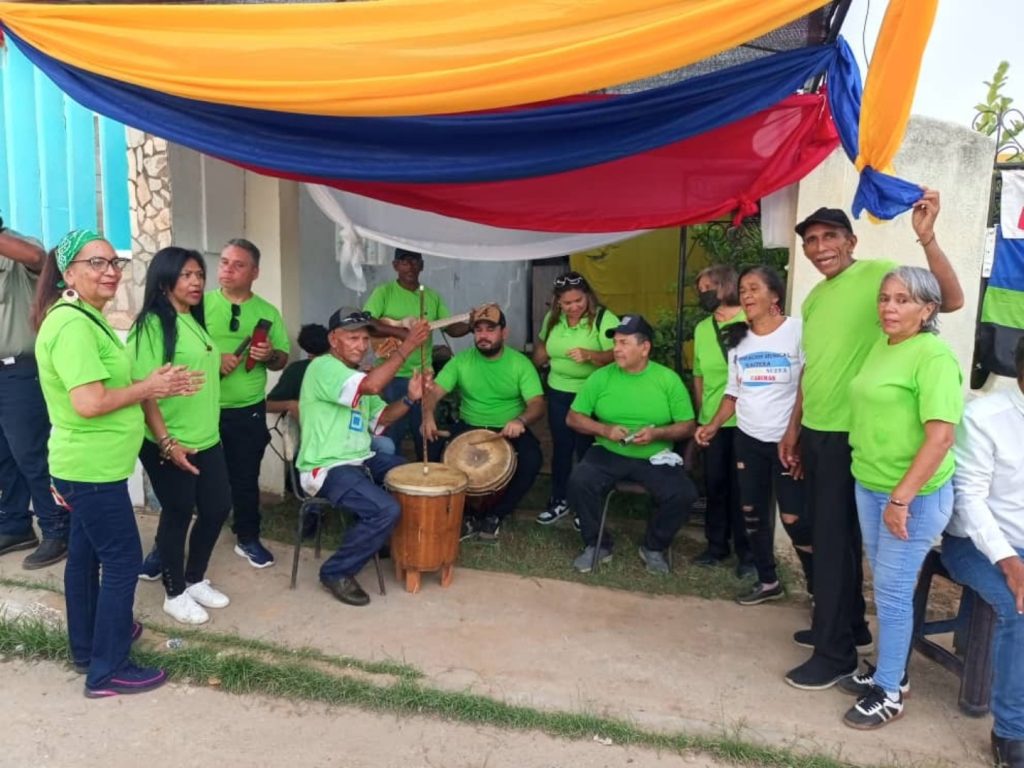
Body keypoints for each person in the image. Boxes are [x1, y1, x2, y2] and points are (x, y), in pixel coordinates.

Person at [780, 191, 964, 690]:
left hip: (849, 435)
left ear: (851, 241)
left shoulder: (879, 276)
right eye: (811, 240)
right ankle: (850, 626)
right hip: (818, 432)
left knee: (833, 545)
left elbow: (949, 300)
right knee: (831, 537)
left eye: (830, 237)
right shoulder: (815, 297)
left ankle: (835, 653)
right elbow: (814, 366)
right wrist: (795, 426)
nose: (820, 247)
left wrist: (927, 238)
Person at [32, 229, 197, 697]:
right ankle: (108, 669)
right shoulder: (72, 326)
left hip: (94, 467)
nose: (110, 272)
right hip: (91, 470)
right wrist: (149, 388)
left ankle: (89, 646)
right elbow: (89, 402)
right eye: (96, 263)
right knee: (122, 560)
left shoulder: (87, 317)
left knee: (86, 556)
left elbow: (109, 386)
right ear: (68, 274)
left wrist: (150, 382)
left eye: (114, 262)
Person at [837, 267, 962, 728]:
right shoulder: (883, 344)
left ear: (928, 309)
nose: (889, 307)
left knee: (890, 593)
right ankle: (893, 672)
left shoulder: (933, 356)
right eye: (885, 298)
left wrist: (901, 499)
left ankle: (889, 691)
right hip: (871, 484)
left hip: (912, 497)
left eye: (903, 300)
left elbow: (941, 437)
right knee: (886, 584)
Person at [296, 307, 430, 606]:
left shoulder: (357, 378)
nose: (361, 345)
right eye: (352, 338)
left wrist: (410, 398)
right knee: (386, 509)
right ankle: (336, 572)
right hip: (327, 466)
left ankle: (378, 540)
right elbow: (372, 385)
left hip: (361, 459)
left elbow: (383, 417)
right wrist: (407, 345)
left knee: (410, 477)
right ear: (333, 339)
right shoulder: (323, 367)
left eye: (365, 339)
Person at [695, 266, 811, 605]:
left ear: (775, 295)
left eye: (754, 288)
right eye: (743, 289)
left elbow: (807, 385)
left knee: (794, 518)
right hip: (748, 439)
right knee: (752, 513)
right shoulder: (738, 339)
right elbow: (733, 392)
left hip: (787, 442)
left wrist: (796, 432)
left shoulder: (797, 332)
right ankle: (767, 580)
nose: (746, 295)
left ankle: (818, 588)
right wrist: (713, 425)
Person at [130, 247, 231, 625]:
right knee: (178, 513)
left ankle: (194, 578)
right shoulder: (151, 326)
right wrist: (167, 442)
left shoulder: (192, 319)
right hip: (169, 441)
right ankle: (174, 593)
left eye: (199, 275)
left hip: (207, 437)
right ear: (165, 280)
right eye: (186, 275)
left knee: (217, 507)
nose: (196, 282)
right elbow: (144, 390)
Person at [943, 337, 1024, 767]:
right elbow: (969, 501)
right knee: (1021, 608)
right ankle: (1011, 731)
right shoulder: (985, 417)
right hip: (977, 546)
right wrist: (1010, 564)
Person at [566, 314, 698, 574]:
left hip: (654, 455)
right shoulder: (601, 377)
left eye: (624, 343)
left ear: (645, 347)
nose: (616, 349)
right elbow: (573, 417)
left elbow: (688, 426)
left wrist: (657, 433)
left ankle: (653, 547)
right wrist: (605, 430)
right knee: (580, 481)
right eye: (615, 343)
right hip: (609, 451)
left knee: (684, 494)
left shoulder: (667, 379)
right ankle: (597, 544)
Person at [422, 303, 544, 540]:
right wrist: (427, 416)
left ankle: (496, 515)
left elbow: (537, 404)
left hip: (507, 428)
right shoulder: (461, 361)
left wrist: (520, 420)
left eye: (490, 329)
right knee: (432, 448)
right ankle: (465, 514)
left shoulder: (520, 363)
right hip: (470, 426)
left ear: (504, 332)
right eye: (478, 330)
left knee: (532, 459)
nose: (483, 336)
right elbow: (434, 392)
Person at [204, 238, 290, 568]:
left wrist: (269, 355)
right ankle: (170, 544)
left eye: (238, 265)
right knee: (194, 480)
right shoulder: (199, 307)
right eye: (224, 262)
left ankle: (247, 536)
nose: (228, 269)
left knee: (244, 477)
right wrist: (214, 361)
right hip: (202, 408)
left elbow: (282, 359)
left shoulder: (267, 313)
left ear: (255, 272)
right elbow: (180, 353)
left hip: (247, 410)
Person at [0, 221, 69, 569]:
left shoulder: (17, 247)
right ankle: (15, 525)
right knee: (4, 456)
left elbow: (38, 258)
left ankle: (57, 528)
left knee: (32, 455)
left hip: (20, 371)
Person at [363, 248, 469, 459]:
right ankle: (390, 475)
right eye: (404, 262)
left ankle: (424, 475)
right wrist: (401, 333)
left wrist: (471, 325)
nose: (410, 266)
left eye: (414, 261)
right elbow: (367, 322)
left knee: (425, 435)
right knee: (391, 435)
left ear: (422, 265)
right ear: (395, 266)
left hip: (422, 376)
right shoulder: (384, 292)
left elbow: (451, 329)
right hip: (391, 376)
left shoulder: (431, 296)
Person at [532, 271, 617, 526]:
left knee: (586, 450)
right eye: (567, 303)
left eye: (578, 300)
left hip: (590, 394)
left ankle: (585, 505)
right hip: (558, 391)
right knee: (562, 447)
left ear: (588, 296)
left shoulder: (603, 318)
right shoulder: (552, 318)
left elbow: (617, 353)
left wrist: (590, 355)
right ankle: (559, 499)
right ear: (558, 301)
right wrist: (538, 358)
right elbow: (542, 344)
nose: (573, 307)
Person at [690, 264, 753, 577]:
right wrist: (703, 415)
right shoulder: (703, 329)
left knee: (743, 491)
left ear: (725, 286)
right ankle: (716, 546)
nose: (703, 294)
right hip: (712, 421)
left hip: (746, 421)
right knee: (714, 486)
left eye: (707, 288)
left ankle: (748, 555)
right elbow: (698, 373)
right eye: (700, 290)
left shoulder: (752, 321)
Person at [266, 323, 330, 421]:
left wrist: (291, 405)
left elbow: (268, 405)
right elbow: (268, 405)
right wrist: (292, 405)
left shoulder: (296, 370)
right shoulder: (297, 370)